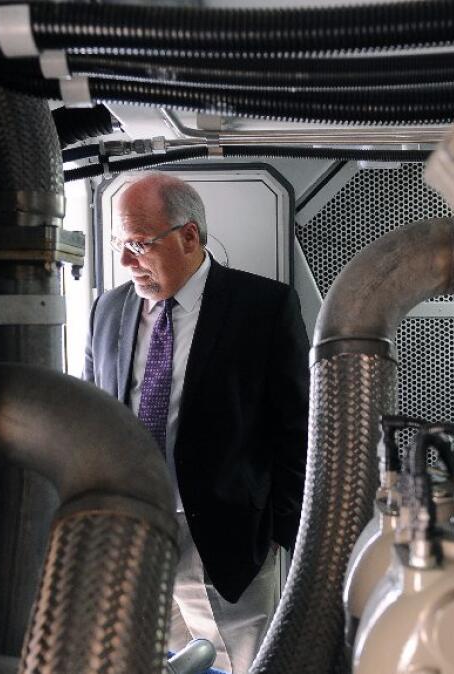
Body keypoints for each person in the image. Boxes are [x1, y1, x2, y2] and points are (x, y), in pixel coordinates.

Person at [83, 172, 308, 674]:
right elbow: (92, 421)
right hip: (136, 535)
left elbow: (296, 431)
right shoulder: (108, 308)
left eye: (138, 244)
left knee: (248, 664)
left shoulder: (263, 308)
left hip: (229, 538)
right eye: (120, 244)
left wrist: (280, 532)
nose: (125, 261)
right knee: (146, 660)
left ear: (188, 236)